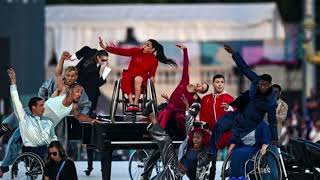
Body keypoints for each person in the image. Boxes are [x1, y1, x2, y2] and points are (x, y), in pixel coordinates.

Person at [0, 81, 98, 176]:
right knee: (16, 135)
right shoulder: (61, 92)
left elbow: (80, 116)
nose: (80, 94)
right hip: (33, 118)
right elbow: (58, 74)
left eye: (81, 92)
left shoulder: (74, 106)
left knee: (17, 142)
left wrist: (92, 120)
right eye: (77, 91)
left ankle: (5, 167)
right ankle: (5, 128)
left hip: (41, 128)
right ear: (70, 91)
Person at [140, 45, 209, 180]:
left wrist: (186, 106)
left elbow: (191, 113)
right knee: (157, 148)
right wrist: (185, 50)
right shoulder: (185, 81)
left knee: (162, 145)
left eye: (202, 88)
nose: (200, 87)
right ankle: (145, 174)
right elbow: (186, 66)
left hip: (177, 121)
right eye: (201, 84)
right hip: (168, 113)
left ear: (201, 92)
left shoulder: (196, 100)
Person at [208, 44, 278, 164]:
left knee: (238, 145)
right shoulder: (256, 81)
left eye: (265, 85)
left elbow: (272, 121)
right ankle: (211, 152)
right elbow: (244, 68)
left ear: (269, 85)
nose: (261, 87)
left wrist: (274, 138)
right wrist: (234, 54)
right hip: (239, 114)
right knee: (219, 125)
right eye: (261, 84)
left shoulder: (271, 102)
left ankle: (237, 165)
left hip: (250, 124)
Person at [0, 68, 58, 177]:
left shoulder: (48, 122)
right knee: (16, 139)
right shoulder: (25, 119)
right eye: (41, 106)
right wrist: (13, 83)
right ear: (33, 107)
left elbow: (53, 138)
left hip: (45, 149)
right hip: (31, 150)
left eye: (44, 105)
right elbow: (16, 102)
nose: (43, 108)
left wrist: (57, 147)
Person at [141, 95, 210, 180]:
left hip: (175, 174)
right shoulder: (189, 142)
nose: (195, 139)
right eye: (194, 137)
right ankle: (152, 118)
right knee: (166, 140)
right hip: (173, 165)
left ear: (203, 140)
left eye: (198, 138)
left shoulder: (203, 154)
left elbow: (202, 174)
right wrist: (187, 106)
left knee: (165, 142)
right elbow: (188, 124)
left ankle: (152, 118)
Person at [99, 37, 177, 111]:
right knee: (127, 78)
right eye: (145, 44)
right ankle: (131, 102)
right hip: (129, 75)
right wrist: (106, 47)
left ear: (152, 49)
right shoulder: (136, 51)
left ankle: (136, 103)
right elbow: (121, 51)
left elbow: (152, 75)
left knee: (138, 79)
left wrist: (152, 85)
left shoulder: (154, 60)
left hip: (141, 80)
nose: (144, 46)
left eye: (147, 45)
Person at [199, 74, 234, 180]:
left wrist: (229, 108)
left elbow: (236, 113)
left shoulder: (229, 98)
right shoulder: (206, 99)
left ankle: (230, 172)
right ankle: (211, 172)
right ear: (213, 83)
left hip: (227, 132)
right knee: (211, 154)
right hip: (212, 133)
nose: (220, 84)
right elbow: (203, 116)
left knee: (232, 152)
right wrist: (205, 128)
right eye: (217, 82)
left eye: (222, 82)